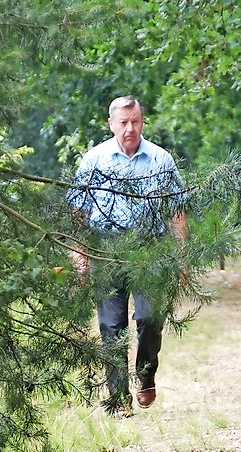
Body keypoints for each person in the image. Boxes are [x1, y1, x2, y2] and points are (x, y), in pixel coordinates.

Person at [69, 96, 187, 413]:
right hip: (105, 249)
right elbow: (76, 214)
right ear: (111, 124)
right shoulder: (94, 161)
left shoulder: (161, 160)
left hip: (150, 249)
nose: (130, 128)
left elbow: (177, 211)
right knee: (112, 326)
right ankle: (118, 398)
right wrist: (80, 257)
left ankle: (146, 375)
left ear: (142, 121)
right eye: (123, 122)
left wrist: (179, 256)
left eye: (135, 121)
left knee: (150, 319)